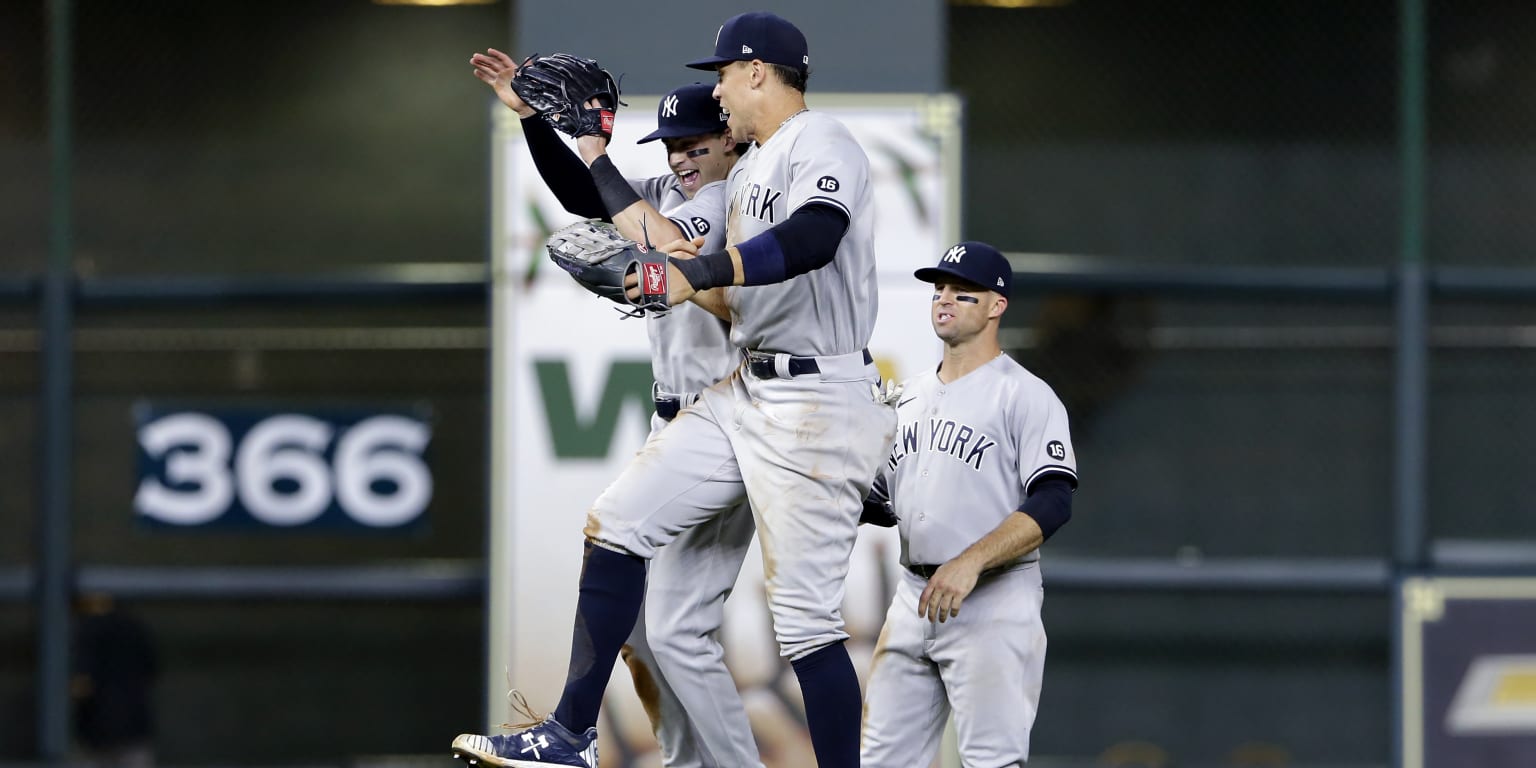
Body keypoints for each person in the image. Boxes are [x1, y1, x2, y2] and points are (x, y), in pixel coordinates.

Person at [453, 11, 894, 768]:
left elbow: (814, 237)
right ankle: (569, 736)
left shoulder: (819, 143)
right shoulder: (752, 164)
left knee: (803, 627)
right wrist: (541, 130)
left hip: (816, 395)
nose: (717, 91)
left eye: (722, 74)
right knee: (618, 528)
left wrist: (691, 268)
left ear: (758, 70)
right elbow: (610, 210)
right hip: (745, 386)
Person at [468, 52, 762, 768]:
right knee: (663, 634)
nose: (681, 160)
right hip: (683, 420)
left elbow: (642, 224)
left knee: (623, 544)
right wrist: (538, 123)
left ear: (730, 139)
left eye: (696, 145)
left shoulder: (734, 198)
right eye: (670, 148)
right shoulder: (670, 190)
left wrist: (595, 145)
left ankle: (574, 734)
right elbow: (582, 194)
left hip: (726, 418)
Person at [858, 241, 1079, 767]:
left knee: (992, 761)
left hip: (994, 599)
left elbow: (1054, 499)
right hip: (913, 596)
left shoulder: (1024, 395)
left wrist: (972, 560)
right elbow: (884, 504)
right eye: (939, 290)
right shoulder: (906, 395)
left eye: (962, 292)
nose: (945, 300)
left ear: (997, 305)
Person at [72, 592, 159, 768]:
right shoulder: (134, 627)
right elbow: (153, 670)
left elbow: (81, 684)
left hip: (98, 734)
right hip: (131, 730)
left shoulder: (87, 631)